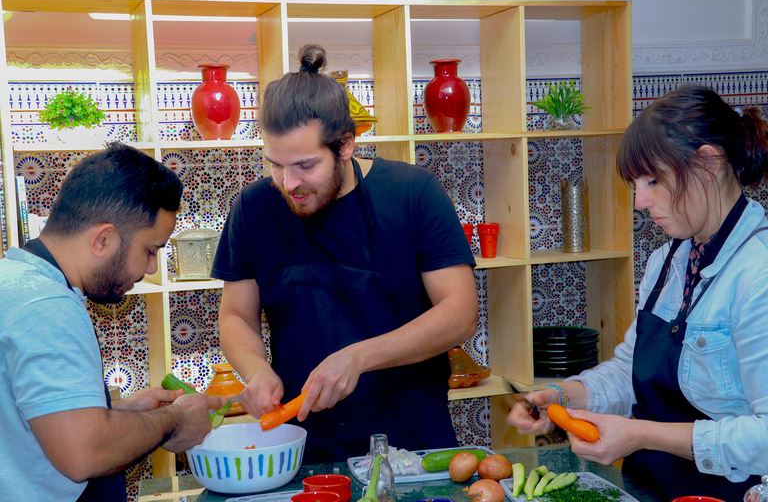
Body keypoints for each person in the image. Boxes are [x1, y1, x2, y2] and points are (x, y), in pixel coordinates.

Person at [212, 44, 478, 463]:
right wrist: (257, 371)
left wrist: (359, 357)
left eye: (305, 165)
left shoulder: (413, 194)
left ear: (346, 145)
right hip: (302, 439)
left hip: (410, 433)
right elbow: (236, 316)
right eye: (274, 165)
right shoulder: (254, 207)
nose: (288, 182)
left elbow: (460, 312)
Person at [507, 84, 768, 500]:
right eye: (634, 184)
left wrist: (641, 434)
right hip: (647, 488)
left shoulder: (759, 275)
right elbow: (630, 374)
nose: (640, 201)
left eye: (652, 180)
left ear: (708, 163)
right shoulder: (668, 261)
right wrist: (560, 396)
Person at [0, 143, 228, 502]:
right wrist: (175, 422)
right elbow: (84, 454)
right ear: (103, 239)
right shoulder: (47, 306)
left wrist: (120, 413)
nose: (151, 268)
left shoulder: (15, 281)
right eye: (150, 251)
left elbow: (33, 427)